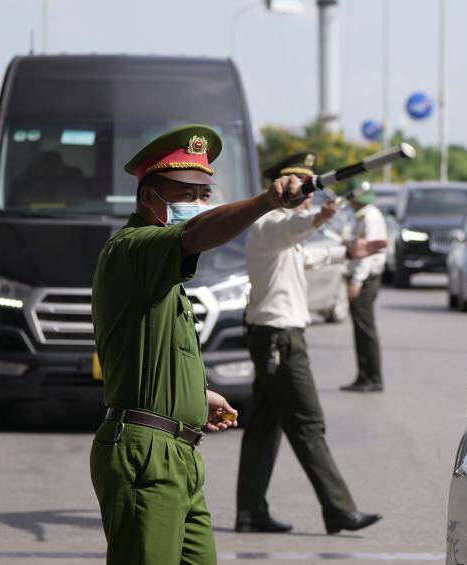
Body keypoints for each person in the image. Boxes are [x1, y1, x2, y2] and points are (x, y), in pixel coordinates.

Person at [90, 124, 309, 565]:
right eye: (184, 194)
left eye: (203, 194)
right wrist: (266, 202)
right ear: (149, 198)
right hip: (145, 454)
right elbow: (194, 235)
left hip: (180, 454)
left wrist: (195, 395)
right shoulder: (133, 249)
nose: (196, 204)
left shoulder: (164, 274)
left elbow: (155, 350)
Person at [235, 153, 385, 535]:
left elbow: (305, 255)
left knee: (264, 428)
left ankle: (250, 512)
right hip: (279, 340)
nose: (307, 195)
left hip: (274, 337)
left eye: (309, 188)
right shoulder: (271, 224)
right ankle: (338, 509)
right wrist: (319, 218)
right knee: (308, 423)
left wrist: (348, 251)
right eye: (300, 187)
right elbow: (297, 232)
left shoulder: (281, 230)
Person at [340, 181, 388, 393]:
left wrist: (356, 281)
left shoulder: (369, 217)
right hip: (364, 276)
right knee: (361, 329)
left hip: (366, 278)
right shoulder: (363, 215)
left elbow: (367, 254)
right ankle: (364, 375)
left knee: (365, 329)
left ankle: (372, 377)